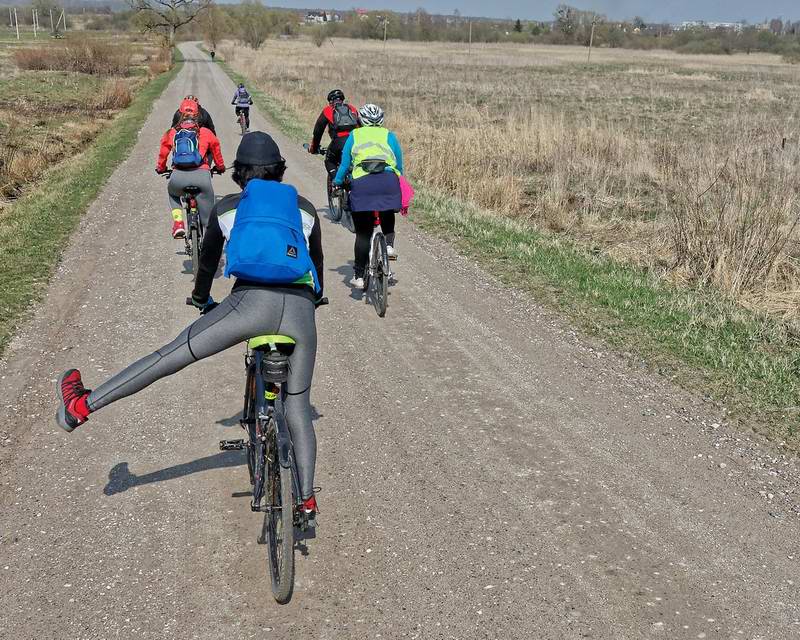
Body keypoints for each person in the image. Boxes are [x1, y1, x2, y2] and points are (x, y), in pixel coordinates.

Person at [56, 132, 325, 517]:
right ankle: (306, 498)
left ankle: (81, 406)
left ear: (240, 175)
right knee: (298, 406)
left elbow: (206, 265)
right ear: (281, 170)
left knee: (168, 357)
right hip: (300, 312)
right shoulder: (305, 209)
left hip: (248, 305)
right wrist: (314, 298)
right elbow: (315, 266)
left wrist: (201, 299)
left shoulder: (230, 208)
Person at [333, 103, 403, 288]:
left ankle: (358, 276)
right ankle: (388, 245)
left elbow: (344, 164)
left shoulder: (354, 135)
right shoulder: (389, 135)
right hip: (388, 181)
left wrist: (337, 182)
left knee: (363, 233)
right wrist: (399, 181)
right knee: (387, 210)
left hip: (363, 184)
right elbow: (399, 165)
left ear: (360, 120)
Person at [156, 100, 226, 239]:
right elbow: (216, 151)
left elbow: (163, 154)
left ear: (180, 113)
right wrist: (220, 167)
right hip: (202, 178)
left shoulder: (171, 133)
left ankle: (178, 223)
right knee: (208, 223)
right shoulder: (205, 132)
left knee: (173, 195)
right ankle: (208, 246)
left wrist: (161, 168)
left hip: (178, 178)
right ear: (197, 114)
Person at [307, 89, 360, 180]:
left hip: (339, 142)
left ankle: (337, 184)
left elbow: (318, 131)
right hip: (355, 140)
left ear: (330, 101)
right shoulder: (352, 109)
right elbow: (360, 126)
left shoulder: (328, 110)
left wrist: (314, 148)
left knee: (329, 161)